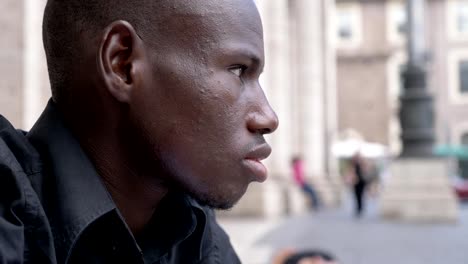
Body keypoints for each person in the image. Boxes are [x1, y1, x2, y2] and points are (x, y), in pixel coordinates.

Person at [0, 0, 278, 263]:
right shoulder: (8, 206)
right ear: (123, 63)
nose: (268, 117)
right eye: (238, 70)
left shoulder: (193, 229)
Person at [350, 152, 368, 217]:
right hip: (356, 182)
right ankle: (358, 208)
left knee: (360, 195)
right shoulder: (354, 164)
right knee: (356, 195)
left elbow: (365, 171)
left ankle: (360, 208)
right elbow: (352, 172)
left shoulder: (362, 164)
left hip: (361, 182)